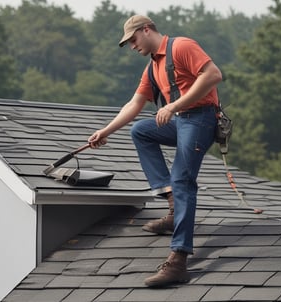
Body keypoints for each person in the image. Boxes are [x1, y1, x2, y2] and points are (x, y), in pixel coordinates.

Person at [88, 15, 223, 287]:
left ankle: (179, 259)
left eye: (133, 40)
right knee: (141, 130)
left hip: (201, 119)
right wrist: (105, 131)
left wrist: (172, 107)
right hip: (182, 122)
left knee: (183, 179)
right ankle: (172, 203)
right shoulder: (152, 67)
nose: (133, 47)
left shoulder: (182, 46)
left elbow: (213, 75)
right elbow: (134, 104)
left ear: (146, 30)